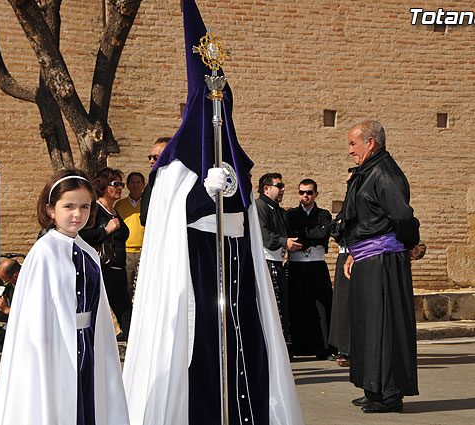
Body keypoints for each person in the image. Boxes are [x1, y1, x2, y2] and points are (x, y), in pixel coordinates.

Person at [122, 1, 304, 423]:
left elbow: (246, 224)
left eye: (222, 103)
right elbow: (164, 221)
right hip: (195, 268)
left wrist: (233, 186)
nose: (216, 113)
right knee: (201, 346)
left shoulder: (234, 159)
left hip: (236, 266)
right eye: (207, 104)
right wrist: (195, 196)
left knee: (245, 345)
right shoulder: (172, 166)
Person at [0, 169, 129, 425]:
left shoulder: (89, 253)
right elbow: (35, 316)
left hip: (89, 345)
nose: (78, 214)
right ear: (51, 210)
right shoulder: (43, 253)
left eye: (85, 206)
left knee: (89, 404)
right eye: (69, 206)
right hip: (55, 348)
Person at [341, 120, 420, 413]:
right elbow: (363, 221)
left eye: (353, 144)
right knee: (367, 327)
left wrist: (410, 243)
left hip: (384, 262)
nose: (350, 151)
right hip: (368, 259)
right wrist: (354, 253)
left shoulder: (385, 173)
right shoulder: (368, 172)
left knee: (384, 326)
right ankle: (373, 389)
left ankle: (390, 393)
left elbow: (402, 215)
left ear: (370, 142)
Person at [80, 167, 132, 342]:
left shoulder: (114, 211)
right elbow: (82, 236)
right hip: (104, 270)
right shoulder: (95, 210)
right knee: (97, 310)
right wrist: (106, 230)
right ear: (103, 186)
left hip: (119, 270)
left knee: (126, 312)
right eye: (116, 184)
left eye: (121, 184)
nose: (120, 188)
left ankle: (135, 348)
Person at [286, 178, 334, 360]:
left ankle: (323, 348)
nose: (305, 195)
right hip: (296, 266)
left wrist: (302, 236)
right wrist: (313, 236)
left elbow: (324, 234)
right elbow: (291, 235)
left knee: (321, 306)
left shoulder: (324, 214)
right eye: (302, 192)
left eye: (309, 192)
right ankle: (298, 347)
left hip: (316, 265)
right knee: (296, 305)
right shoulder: (290, 215)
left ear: (316, 194)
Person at [255, 172, 301, 355]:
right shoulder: (260, 207)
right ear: (266, 188)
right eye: (279, 186)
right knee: (272, 308)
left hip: (277, 262)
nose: (283, 190)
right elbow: (264, 235)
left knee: (281, 307)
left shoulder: (279, 210)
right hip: (267, 263)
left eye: (283, 186)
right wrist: (284, 242)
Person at [328, 167, 356, 366]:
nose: (348, 185)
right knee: (342, 305)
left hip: (356, 256)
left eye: (351, 181)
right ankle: (343, 347)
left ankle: (350, 349)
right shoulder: (349, 202)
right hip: (343, 255)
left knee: (351, 305)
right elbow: (336, 227)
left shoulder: (360, 202)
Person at [115, 172, 146, 297]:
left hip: (144, 250)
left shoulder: (148, 204)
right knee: (127, 286)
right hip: (126, 251)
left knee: (143, 286)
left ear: (143, 185)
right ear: (127, 185)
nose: (136, 185)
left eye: (138, 182)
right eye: (132, 182)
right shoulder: (119, 205)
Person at [140, 137, 171, 226]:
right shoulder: (152, 185)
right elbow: (144, 218)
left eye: (155, 157)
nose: (151, 161)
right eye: (150, 157)